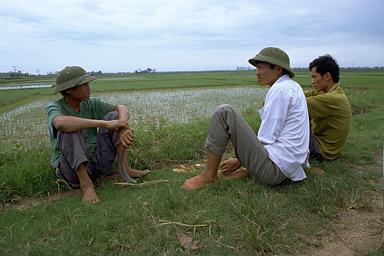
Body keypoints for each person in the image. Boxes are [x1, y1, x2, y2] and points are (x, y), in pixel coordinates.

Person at [183, 47, 309, 190]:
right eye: (256, 68)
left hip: (275, 171)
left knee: (224, 112)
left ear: (278, 69)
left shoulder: (280, 91)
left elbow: (266, 138)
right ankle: (247, 171)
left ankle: (208, 177)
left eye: (261, 68)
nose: (257, 73)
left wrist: (239, 161)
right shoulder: (293, 87)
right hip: (291, 170)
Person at [46, 66, 150, 203]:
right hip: (71, 171)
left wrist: (122, 124)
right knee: (69, 129)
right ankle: (87, 186)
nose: (89, 88)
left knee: (113, 116)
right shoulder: (55, 107)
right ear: (69, 90)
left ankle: (125, 169)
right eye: (84, 85)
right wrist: (104, 124)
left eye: (88, 84)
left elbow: (121, 108)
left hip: (97, 162)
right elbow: (60, 122)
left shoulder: (91, 104)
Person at [305, 55, 352, 161]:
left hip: (322, 151)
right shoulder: (332, 92)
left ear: (326, 76)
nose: (312, 81)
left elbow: (296, 102)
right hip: (324, 146)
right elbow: (302, 94)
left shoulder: (332, 99)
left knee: (294, 113)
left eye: (314, 77)